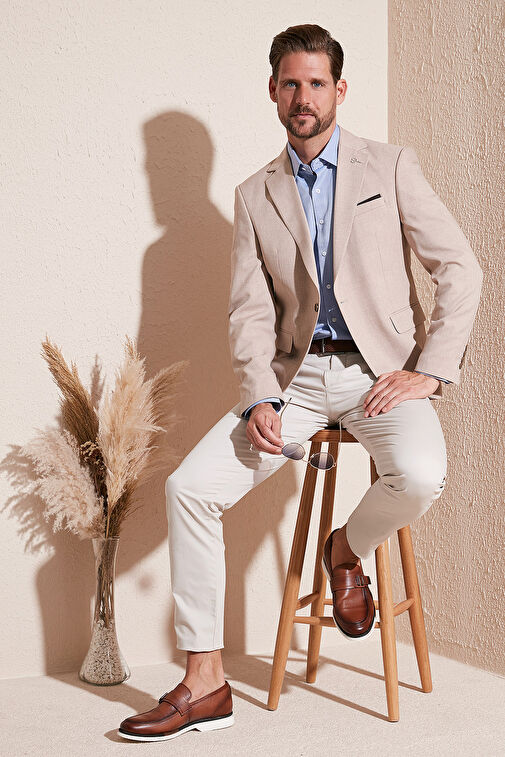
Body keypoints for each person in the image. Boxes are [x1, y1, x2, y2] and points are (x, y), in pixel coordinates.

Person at [118, 23, 483, 742]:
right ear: (272, 91)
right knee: (189, 489)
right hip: (298, 378)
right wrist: (259, 394)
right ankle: (205, 681)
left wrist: (428, 369)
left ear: (339, 89)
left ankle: (345, 549)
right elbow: (250, 311)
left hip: (379, 372)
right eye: (290, 84)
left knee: (419, 475)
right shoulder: (255, 194)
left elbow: (459, 268)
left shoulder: (390, 166)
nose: (303, 97)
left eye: (316, 83)